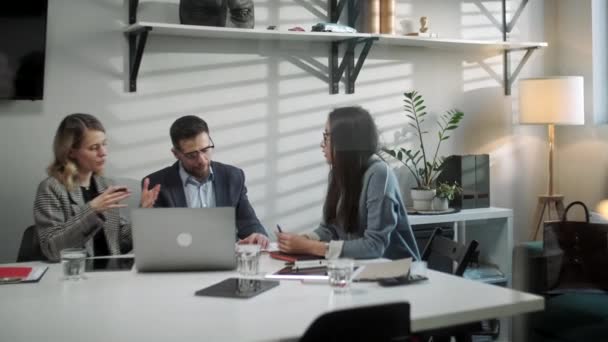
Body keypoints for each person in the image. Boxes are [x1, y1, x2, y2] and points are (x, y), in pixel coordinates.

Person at [277, 107, 421, 260]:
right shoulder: (337, 174)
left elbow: (374, 246)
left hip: (397, 273)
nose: (322, 144)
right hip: (359, 271)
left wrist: (310, 247)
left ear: (345, 139)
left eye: (326, 136)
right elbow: (330, 229)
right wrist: (303, 240)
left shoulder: (379, 174)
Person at [33, 113, 160, 262]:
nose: (103, 153)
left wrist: (142, 215)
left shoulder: (106, 185)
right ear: (71, 152)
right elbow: (52, 250)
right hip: (74, 277)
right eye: (94, 147)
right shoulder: (51, 188)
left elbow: (119, 245)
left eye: (104, 144)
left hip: (110, 277)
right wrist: (92, 210)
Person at [142, 115, 269, 247]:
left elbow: (248, 221)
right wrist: (145, 217)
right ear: (176, 154)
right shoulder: (156, 184)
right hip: (180, 260)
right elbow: (152, 241)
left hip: (225, 257)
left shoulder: (232, 176)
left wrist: (258, 234)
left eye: (205, 150)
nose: (202, 160)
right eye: (192, 155)